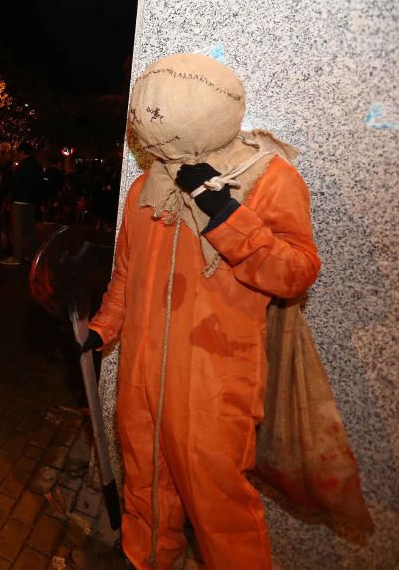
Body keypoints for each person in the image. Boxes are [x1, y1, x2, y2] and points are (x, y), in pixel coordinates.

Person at [85, 54, 320, 569]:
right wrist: (101, 328)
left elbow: (296, 272)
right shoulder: (145, 188)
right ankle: (143, 559)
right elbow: (126, 274)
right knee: (144, 482)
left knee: (219, 505)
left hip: (215, 378)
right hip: (141, 375)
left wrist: (227, 216)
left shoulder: (266, 178)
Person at [1, 142, 43, 266]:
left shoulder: (24, 165)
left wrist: (13, 196)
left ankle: (16, 256)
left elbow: (18, 183)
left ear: (22, 152)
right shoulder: (36, 163)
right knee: (30, 229)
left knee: (18, 229)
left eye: (18, 152)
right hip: (31, 200)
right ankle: (31, 255)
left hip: (20, 200)